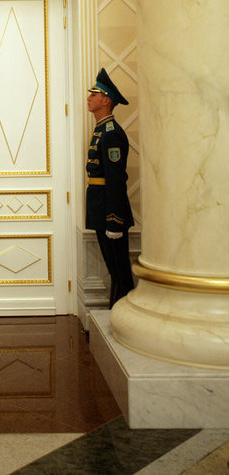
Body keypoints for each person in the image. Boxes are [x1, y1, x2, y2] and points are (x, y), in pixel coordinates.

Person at [86, 68, 134, 308]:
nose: (89, 97)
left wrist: (114, 220)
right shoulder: (100, 130)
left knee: (120, 270)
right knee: (114, 268)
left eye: (94, 94)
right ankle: (117, 311)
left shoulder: (112, 134)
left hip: (109, 208)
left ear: (106, 100)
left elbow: (115, 180)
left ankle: (123, 310)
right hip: (100, 204)